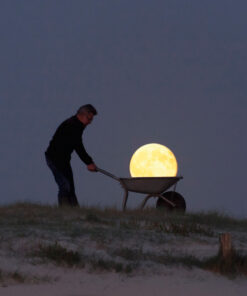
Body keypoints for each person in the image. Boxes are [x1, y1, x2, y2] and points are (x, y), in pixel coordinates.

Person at [45, 104, 98, 207]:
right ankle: (65, 212)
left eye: (91, 120)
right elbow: (78, 146)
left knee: (70, 187)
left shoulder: (78, 125)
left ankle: (75, 212)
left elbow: (77, 145)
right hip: (54, 158)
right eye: (89, 119)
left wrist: (89, 162)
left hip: (63, 160)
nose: (90, 122)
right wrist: (89, 162)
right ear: (81, 115)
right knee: (65, 186)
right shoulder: (72, 125)